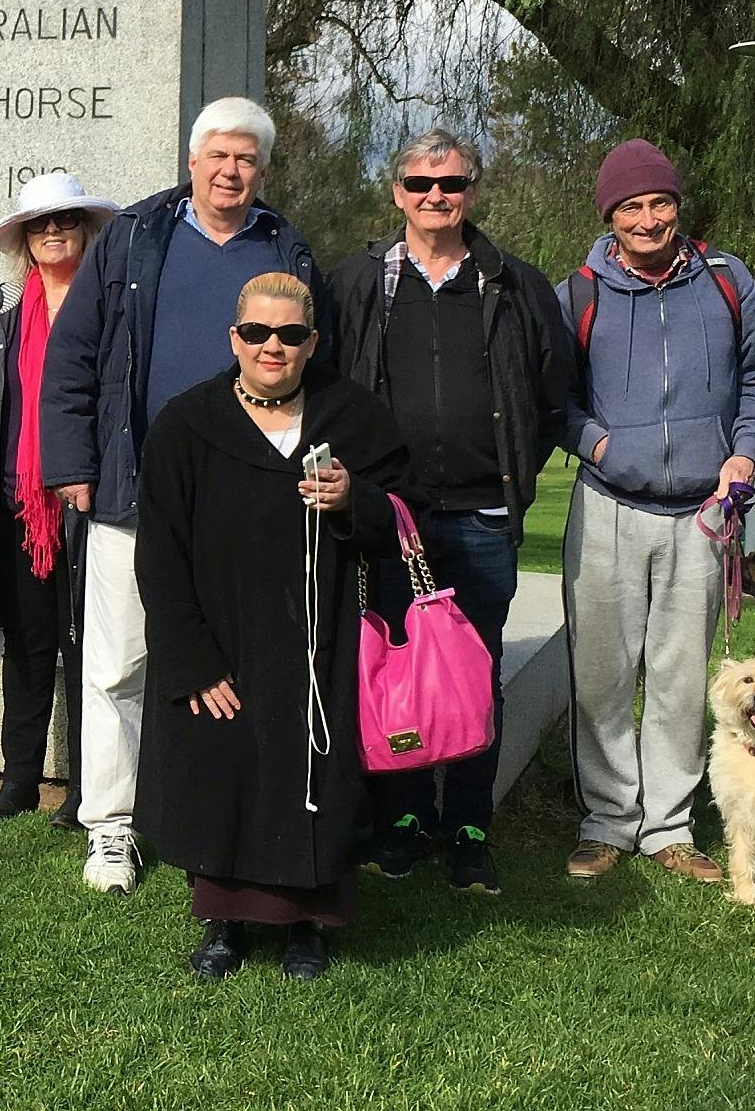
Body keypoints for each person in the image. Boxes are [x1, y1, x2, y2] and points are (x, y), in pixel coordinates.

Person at [40, 97, 322, 893]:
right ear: (191, 162)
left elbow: (312, 370)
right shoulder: (132, 238)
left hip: (244, 505)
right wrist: (73, 464)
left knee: (236, 670)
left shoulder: (284, 249)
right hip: (133, 492)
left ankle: (217, 822)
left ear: (261, 171)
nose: (230, 171)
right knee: (117, 665)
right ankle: (110, 828)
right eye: (218, 157)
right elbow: (74, 359)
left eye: (246, 160)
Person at [135, 274, 408, 981]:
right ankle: (221, 922)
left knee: (316, 774)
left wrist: (357, 500)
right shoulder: (186, 424)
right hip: (223, 639)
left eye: (289, 335)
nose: (271, 347)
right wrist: (189, 659)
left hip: (326, 642)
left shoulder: (354, 418)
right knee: (225, 770)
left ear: (312, 342)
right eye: (256, 333)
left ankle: (308, 928)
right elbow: (158, 553)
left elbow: (409, 520)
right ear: (234, 338)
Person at [325, 129, 571, 893]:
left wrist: (517, 467)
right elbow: (325, 383)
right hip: (386, 515)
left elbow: (552, 385)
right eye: (420, 184)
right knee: (393, 667)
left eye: (452, 183)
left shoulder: (513, 284)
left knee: (472, 673)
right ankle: (401, 816)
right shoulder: (358, 282)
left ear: (472, 190)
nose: (436, 196)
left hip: (479, 517)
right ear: (395, 192)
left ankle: (466, 824)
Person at [558, 138, 755, 884]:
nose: (648, 218)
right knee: (601, 674)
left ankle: (668, 828)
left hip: (701, 513)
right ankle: (606, 821)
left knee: (682, 678)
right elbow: (552, 399)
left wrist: (742, 455)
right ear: (610, 216)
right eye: (631, 207)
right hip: (608, 508)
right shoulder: (580, 292)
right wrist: (599, 449)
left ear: (676, 207)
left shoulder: (724, 280)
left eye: (659, 203)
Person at [0, 172, 120, 823]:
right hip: (14, 509)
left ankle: (84, 790)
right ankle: (18, 781)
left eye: (66, 220)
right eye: (40, 223)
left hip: (88, 510)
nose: (53, 231)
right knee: (25, 648)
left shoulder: (106, 306)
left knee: (87, 651)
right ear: (22, 237)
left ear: (85, 229)